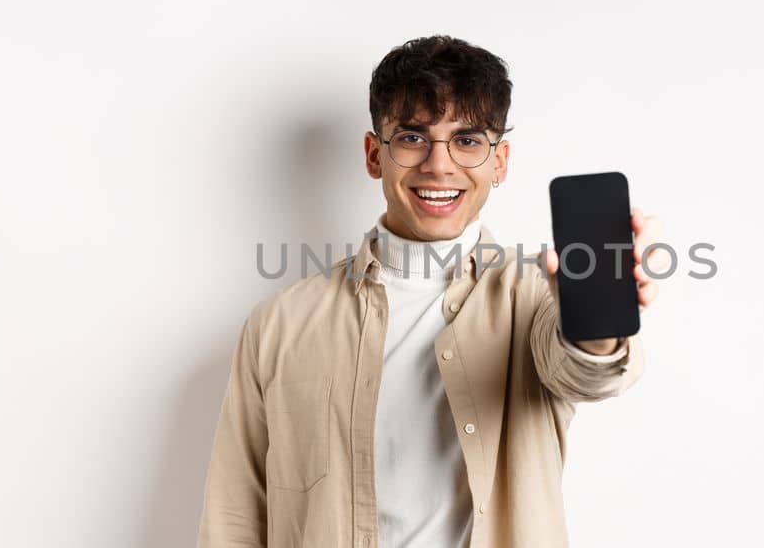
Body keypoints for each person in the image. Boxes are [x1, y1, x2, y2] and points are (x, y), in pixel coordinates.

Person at [197, 35, 667, 548]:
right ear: (375, 154)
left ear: (500, 161)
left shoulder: (537, 298)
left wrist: (596, 318)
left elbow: (586, 371)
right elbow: (234, 514)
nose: (439, 166)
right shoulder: (280, 324)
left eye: (467, 140)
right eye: (413, 138)